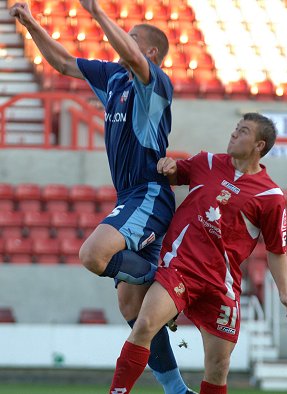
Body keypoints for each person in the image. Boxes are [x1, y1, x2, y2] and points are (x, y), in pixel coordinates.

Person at [9, 1, 197, 393]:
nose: (121, 44)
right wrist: (31, 24)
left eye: (130, 40)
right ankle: (177, 389)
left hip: (147, 194)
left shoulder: (155, 83)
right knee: (133, 309)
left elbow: (128, 53)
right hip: (129, 197)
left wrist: (96, 13)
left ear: (148, 53)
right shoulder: (114, 79)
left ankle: (156, 279)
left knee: (92, 255)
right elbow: (62, 63)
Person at [109, 112, 287, 394]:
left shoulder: (271, 197)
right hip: (180, 269)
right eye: (235, 128)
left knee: (218, 366)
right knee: (146, 324)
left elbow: (276, 249)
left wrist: (283, 291)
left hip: (221, 283)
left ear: (259, 145)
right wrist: (168, 165)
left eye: (243, 131)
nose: (234, 134)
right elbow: (175, 174)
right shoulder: (207, 162)